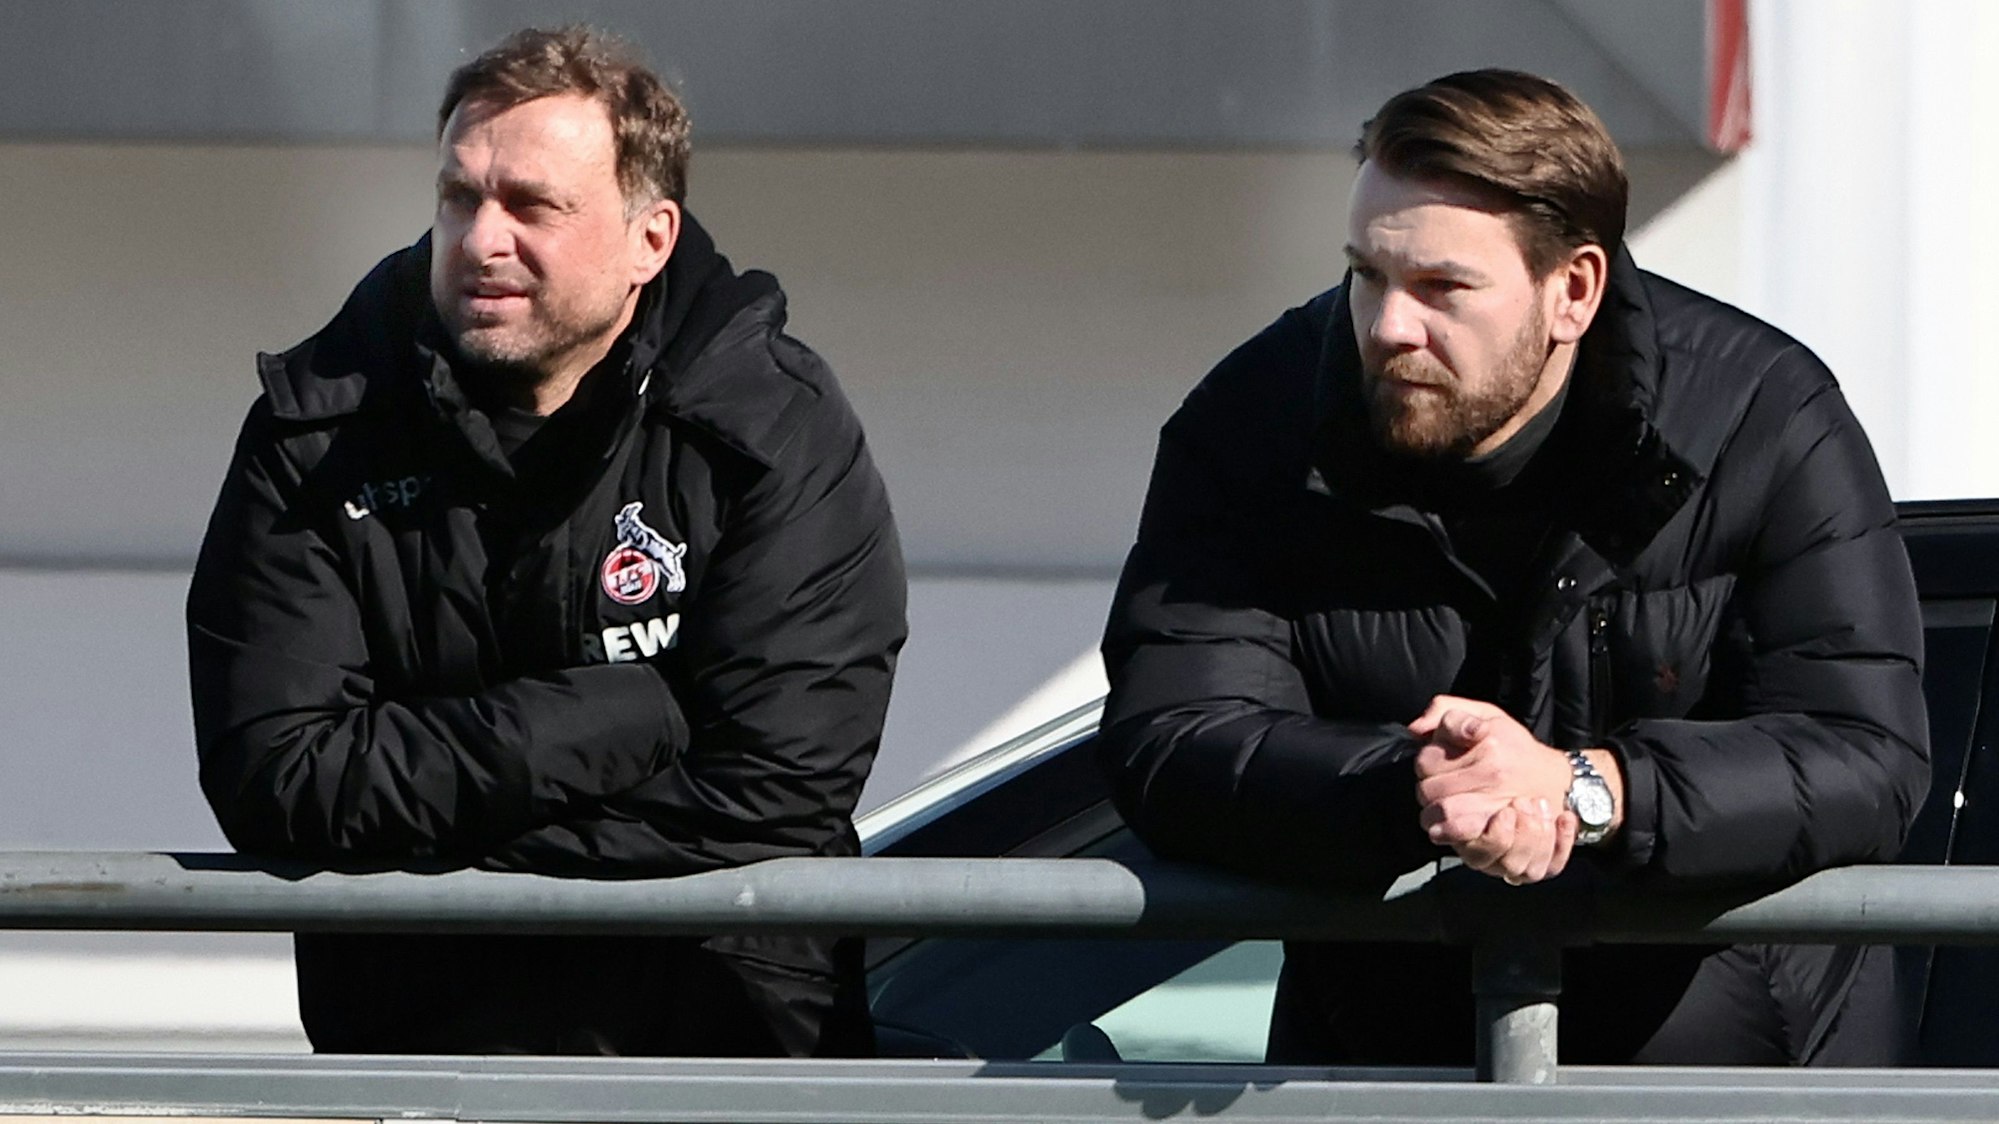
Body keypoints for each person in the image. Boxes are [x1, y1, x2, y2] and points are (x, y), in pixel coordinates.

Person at [1098, 69, 1928, 1066]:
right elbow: (1171, 738)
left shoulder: (1763, 419)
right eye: (1366, 274)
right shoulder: (1255, 424)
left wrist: (1588, 789)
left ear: (1572, 290)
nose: (1387, 326)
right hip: (1391, 1068)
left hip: (1733, 1075)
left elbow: (1864, 754)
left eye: (1441, 287)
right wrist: (1417, 787)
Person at [186, 26, 906, 1057]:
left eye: (533, 206)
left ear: (649, 239)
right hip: (430, 1058)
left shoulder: (769, 421)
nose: (483, 239)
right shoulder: (319, 428)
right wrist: (629, 714)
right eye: (460, 197)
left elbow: (779, 788)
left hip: (726, 1057)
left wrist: (435, 848)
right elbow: (278, 775)